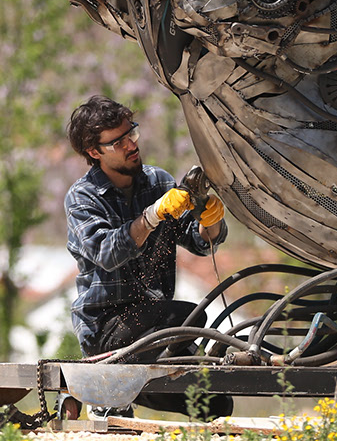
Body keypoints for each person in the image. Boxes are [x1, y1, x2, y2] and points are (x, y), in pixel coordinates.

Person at [61, 94, 232, 419]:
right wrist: (151, 217)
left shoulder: (158, 183)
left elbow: (199, 243)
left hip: (157, 327)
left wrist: (212, 221)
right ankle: (109, 385)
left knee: (217, 403)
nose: (131, 145)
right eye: (118, 142)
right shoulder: (82, 198)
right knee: (188, 316)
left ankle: (123, 391)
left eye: (132, 134)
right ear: (94, 152)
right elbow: (107, 253)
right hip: (107, 328)